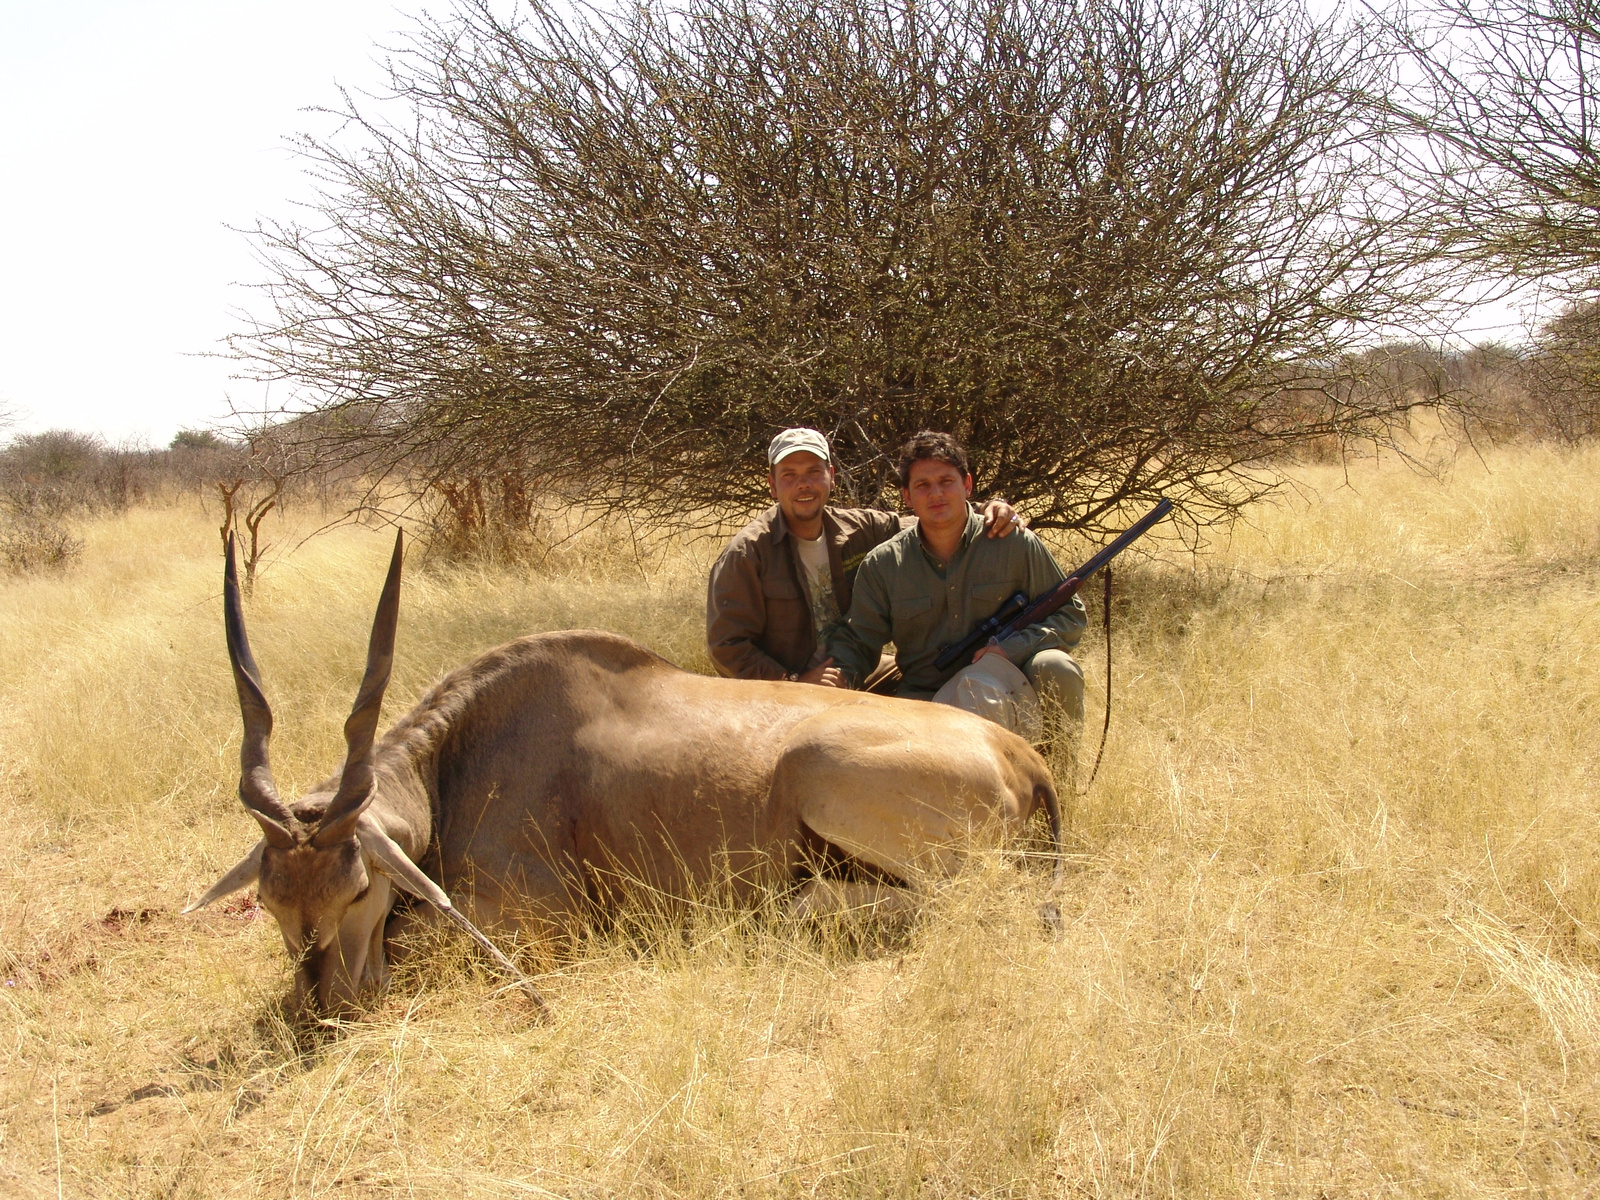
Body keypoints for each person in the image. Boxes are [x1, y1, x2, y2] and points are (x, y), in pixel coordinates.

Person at [825, 430, 1086, 751]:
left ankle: (1060, 782)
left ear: (967, 485)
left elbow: (1070, 614)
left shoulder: (1015, 542)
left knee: (1055, 665)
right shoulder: (883, 563)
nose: (936, 493)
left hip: (1009, 684)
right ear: (907, 497)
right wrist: (837, 677)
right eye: (922, 485)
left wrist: (1010, 649)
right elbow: (858, 641)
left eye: (946, 481)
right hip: (926, 698)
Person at [706, 427, 1021, 685]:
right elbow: (727, 646)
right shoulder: (746, 553)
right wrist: (793, 681)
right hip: (789, 688)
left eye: (814, 472)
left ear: (831, 475)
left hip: (852, 671)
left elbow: (930, 521)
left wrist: (987, 510)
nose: (804, 484)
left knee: (930, 677)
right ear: (772, 484)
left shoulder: (860, 529)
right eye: (789, 475)